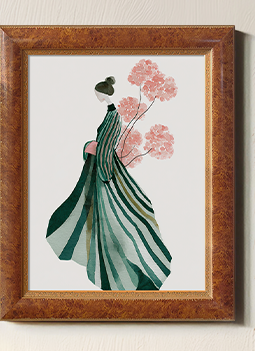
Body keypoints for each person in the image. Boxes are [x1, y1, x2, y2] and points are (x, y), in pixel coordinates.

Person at [46, 76, 172, 290]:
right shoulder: (112, 114)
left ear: (103, 94)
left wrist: (105, 174)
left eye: (97, 94)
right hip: (102, 163)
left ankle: (124, 267)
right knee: (95, 211)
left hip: (105, 168)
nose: (96, 97)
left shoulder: (114, 117)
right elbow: (102, 144)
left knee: (111, 216)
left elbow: (106, 146)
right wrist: (90, 147)